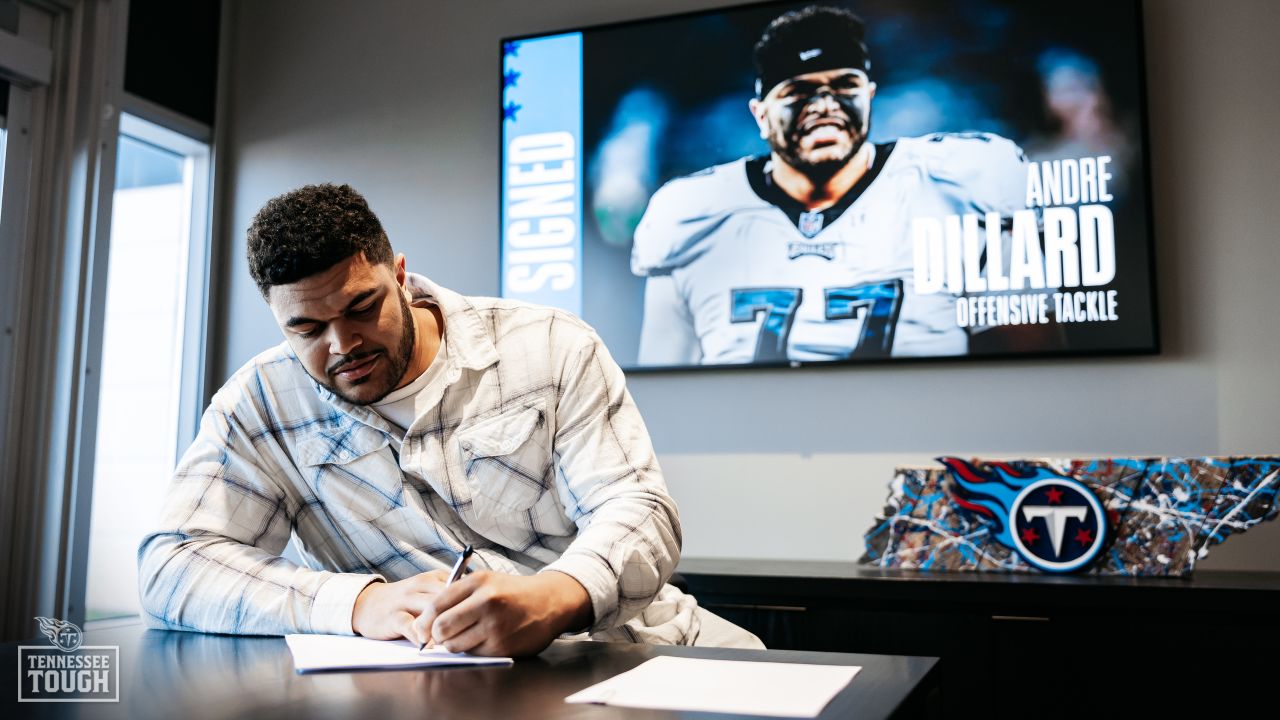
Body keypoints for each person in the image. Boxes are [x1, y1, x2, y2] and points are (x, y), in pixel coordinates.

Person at [138, 183, 760, 655]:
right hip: (445, 685)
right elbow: (172, 565)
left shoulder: (548, 345)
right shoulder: (262, 404)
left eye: (362, 307)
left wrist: (554, 597)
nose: (342, 344)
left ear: (400, 276)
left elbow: (638, 507)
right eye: (306, 328)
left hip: (632, 651)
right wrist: (356, 603)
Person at [631, 5, 1031, 365]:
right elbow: (659, 386)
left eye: (843, 85)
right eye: (799, 92)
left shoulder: (955, 181)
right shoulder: (690, 210)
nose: (825, 105)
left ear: (870, 95)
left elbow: (1030, 370)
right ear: (761, 114)